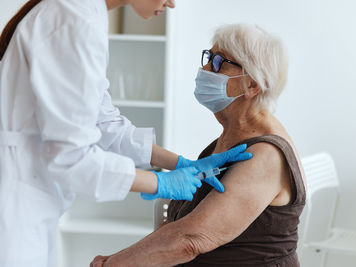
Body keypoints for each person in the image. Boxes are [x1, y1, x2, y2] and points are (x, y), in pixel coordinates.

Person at [0, 0, 253, 266]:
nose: (172, 3)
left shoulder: (83, 14)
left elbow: (105, 123)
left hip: (29, 202)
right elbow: (72, 158)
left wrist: (179, 163)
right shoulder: (74, 20)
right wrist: (160, 183)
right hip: (15, 205)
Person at [90, 23, 307, 267]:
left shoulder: (266, 154)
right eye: (208, 57)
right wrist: (118, 259)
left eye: (219, 62)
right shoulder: (232, 136)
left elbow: (190, 239)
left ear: (253, 85)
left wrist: (114, 264)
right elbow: (179, 226)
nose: (205, 69)